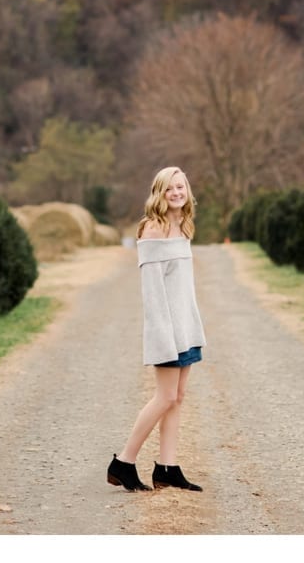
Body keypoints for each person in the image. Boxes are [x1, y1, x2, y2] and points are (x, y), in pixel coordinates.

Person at [106, 166, 206, 492]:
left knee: (177, 397)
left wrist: (191, 328)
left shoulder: (182, 226)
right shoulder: (153, 230)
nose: (176, 193)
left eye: (181, 187)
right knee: (164, 397)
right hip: (167, 333)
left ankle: (167, 467)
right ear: (158, 193)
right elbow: (153, 296)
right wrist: (165, 339)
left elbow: (182, 290)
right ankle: (123, 462)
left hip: (185, 328)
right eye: (169, 189)